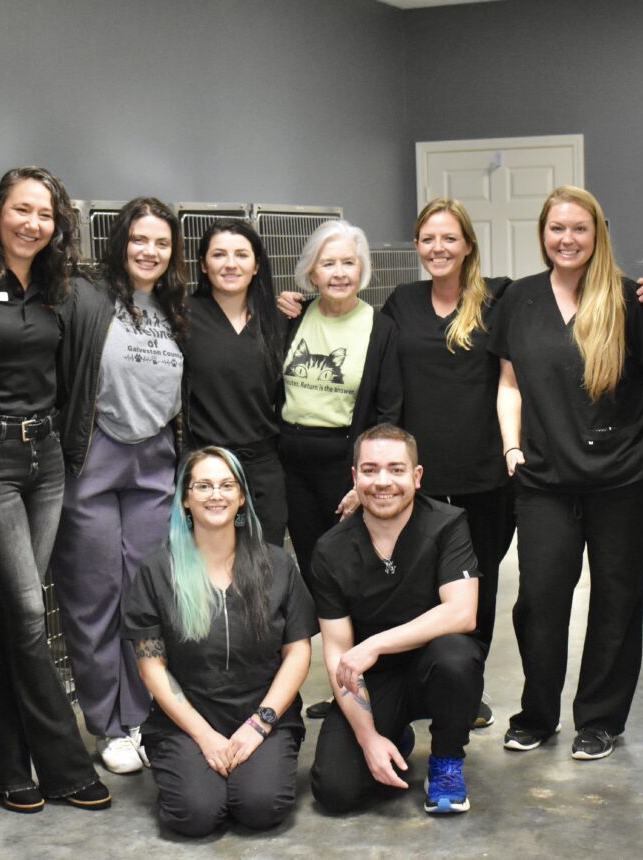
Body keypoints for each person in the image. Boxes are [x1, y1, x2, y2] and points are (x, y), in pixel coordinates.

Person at [0, 167, 110, 814]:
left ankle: (5, 770)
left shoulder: (57, 284)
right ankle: (64, 765)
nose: (33, 224)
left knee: (17, 616)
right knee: (30, 614)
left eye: (46, 214)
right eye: (21, 209)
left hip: (46, 459)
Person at [489, 186, 643, 762]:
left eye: (579, 229)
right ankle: (537, 714)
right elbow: (509, 383)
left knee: (617, 598)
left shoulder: (628, 299)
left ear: (597, 234)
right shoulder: (519, 299)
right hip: (543, 477)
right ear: (543, 234)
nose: (567, 239)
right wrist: (511, 447)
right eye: (557, 228)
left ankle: (599, 719)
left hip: (624, 477)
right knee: (539, 599)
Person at [51, 197, 187, 775]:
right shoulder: (85, 296)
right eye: (139, 240)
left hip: (155, 462)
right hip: (94, 457)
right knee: (94, 597)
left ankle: (142, 716)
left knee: (145, 594)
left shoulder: (177, 307)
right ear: (120, 242)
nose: (149, 251)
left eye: (161, 243)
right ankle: (107, 724)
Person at [122, 447, 317, 835]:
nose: (216, 495)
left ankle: (244, 770)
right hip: (187, 717)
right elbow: (151, 667)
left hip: (262, 710)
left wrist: (260, 724)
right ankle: (187, 768)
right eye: (204, 486)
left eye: (227, 485)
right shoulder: (157, 571)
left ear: (242, 496)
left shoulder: (277, 565)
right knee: (196, 814)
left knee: (261, 807)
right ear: (185, 498)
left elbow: (298, 652)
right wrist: (204, 736)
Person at [380, 198, 515, 729]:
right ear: (417, 245)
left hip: (484, 475)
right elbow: (364, 342)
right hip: (419, 479)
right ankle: (412, 685)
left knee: (477, 587)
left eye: (449, 238)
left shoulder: (498, 298)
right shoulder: (402, 301)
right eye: (428, 239)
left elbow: (567, 290)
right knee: (415, 584)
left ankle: (465, 690)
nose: (438, 248)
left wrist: (641, 292)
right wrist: (297, 306)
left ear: (468, 245)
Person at [310, 424, 483, 816]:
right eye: (370, 470)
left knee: (456, 655)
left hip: (435, 667)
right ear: (355, 477)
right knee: (335, 790)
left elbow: (462, 612)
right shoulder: (330, 551)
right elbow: (338, 654)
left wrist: (375, 644)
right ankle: (395, 738)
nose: (383, 482)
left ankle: (446, 762)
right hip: (375, 682)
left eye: (396, 469)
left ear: (416, 476)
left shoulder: (447, 524)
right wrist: (368, 737)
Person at [278, 219, 402, 589]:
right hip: (290, 464)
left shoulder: (380, 328)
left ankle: (356, 630)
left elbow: (389, 410)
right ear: (311, 271)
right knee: (310, 564)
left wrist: (364, 478)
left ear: (362, 269)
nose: (339, 273)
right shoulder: (292, 317)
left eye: (349, 262)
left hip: (344, 463)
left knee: (352, 566)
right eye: (328, 263)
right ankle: (325, 629)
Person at [184, 219, 287, 542]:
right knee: (208, 562)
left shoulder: (279, 319)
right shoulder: (182, 316)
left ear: (256, 266)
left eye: (241, 255)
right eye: (219, 255)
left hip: (263, 469)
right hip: (206, 467)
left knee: (266, 560)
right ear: (203, 265)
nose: (230, 264)